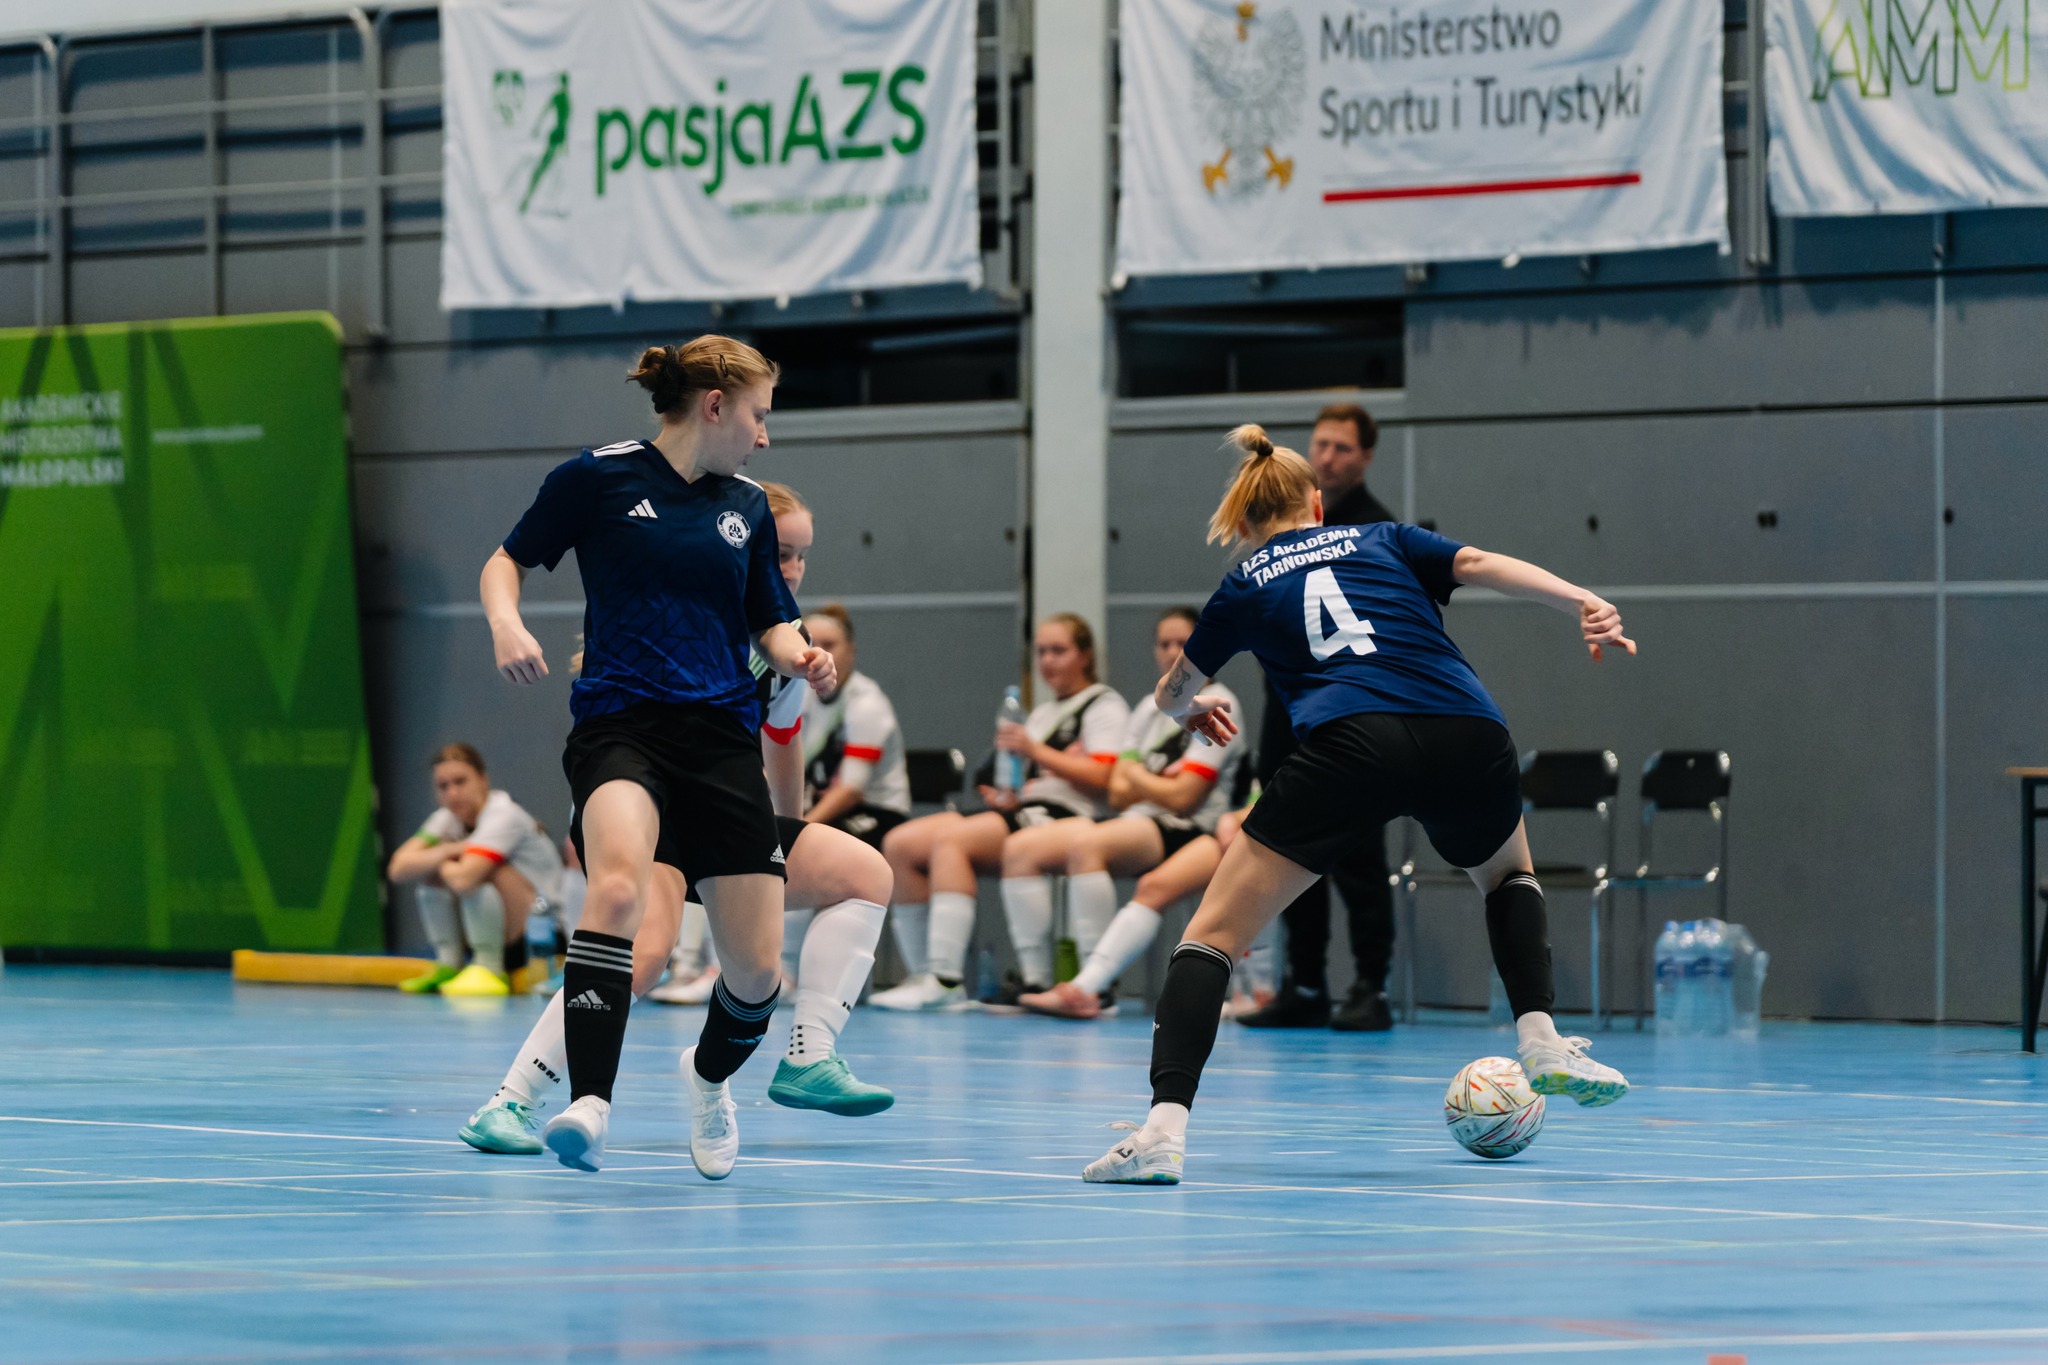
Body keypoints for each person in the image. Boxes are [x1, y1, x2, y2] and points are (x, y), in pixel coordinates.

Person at [1083, 424, 1635, 1185]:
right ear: (1317, 504)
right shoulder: (1381, 537)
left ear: (1247, 521)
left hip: (1352, 743)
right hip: (1467, 730)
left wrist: (1189, 709)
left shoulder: (1244, 581)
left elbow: (1173, 689)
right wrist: (1581, 599)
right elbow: (1478, 563)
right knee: (1508, 876)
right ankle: (1539, 1036)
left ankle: (1160, 1133)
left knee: (1211, 936)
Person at [480, 335, 834, 1177]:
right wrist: (506, 622)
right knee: (615, 889)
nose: (764, 436)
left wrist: (799, 655)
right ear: (714, 406)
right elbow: (507, 560)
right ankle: (589, 1102)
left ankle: (708, 1079)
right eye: (758, 416)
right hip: (620, 727)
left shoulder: (746, 507)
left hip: (720, 743)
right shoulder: (596, 478)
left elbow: (769, 617)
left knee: (757, 973)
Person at [462, 479, 899, 1157]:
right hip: (645, 807)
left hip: (723, 812)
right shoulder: (676, 609)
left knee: (865, 873)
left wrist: (782, 842)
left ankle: (803, 1054)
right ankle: (511, 1099)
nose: (791, 570)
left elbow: (782, 741)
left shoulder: (792, 642)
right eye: (780, 552)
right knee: (644, 954)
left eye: (801, 557)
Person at [872, 614, 1129, 1010]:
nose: (1047, 661)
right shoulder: (1041, 713)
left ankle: (946, 978)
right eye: (1041, 652)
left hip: (1067, 815)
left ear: (1085, 655)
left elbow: (1104, 777)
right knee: (901, 843)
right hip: (1027, 810)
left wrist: (1037, 751)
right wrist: (1008, 797)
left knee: (952, 842)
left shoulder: (1103, 705)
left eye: (1058, 651)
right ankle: (921, 973)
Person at [1239, 401, 1400, 1033]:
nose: (1328, 457)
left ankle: (1370, 986)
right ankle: (1304, 983)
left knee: (1358, 857)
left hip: (1351, 717)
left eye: (1342, 447)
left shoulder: (1376, 531)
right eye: (1321, 444)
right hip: (1286, 715)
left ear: (1366, 456)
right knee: (1288, 852)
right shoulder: (1284, 524)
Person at [1001, 608, 1247, 1018]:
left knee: (1088, 845)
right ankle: (1061, 981)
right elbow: (1116, 793)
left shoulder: (1223, 702)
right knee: (1065, 845)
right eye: (1163, 644)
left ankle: (1096, 989)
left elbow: (1185, 798)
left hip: (1193, 827)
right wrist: (1151, 782)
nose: (1172, 652)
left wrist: (1137, 777)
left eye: (1183, 643)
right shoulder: (1150, 707)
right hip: (1142, 821)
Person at [386, 743, 563, 996]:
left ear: (483, 779)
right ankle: (450, 962)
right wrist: (448, 850)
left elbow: (463, 880)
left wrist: (438, 858)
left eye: (460, 781)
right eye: (443, 786)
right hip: (489, 934)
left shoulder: (504, 815)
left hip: (539, 941)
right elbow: (397, 868)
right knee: (435, 875)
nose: (452, 793)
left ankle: (489, 966)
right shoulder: (446, 818)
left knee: (481, 872)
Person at [800, 604, 912, 848]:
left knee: (814, 847)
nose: (818, 654)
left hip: (876, 812)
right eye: (810, 644)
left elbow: (851, 790)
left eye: (829, 645)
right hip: (820, 808)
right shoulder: (798, 696)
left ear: (851, 651)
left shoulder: (867, 703)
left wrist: (798, 830)